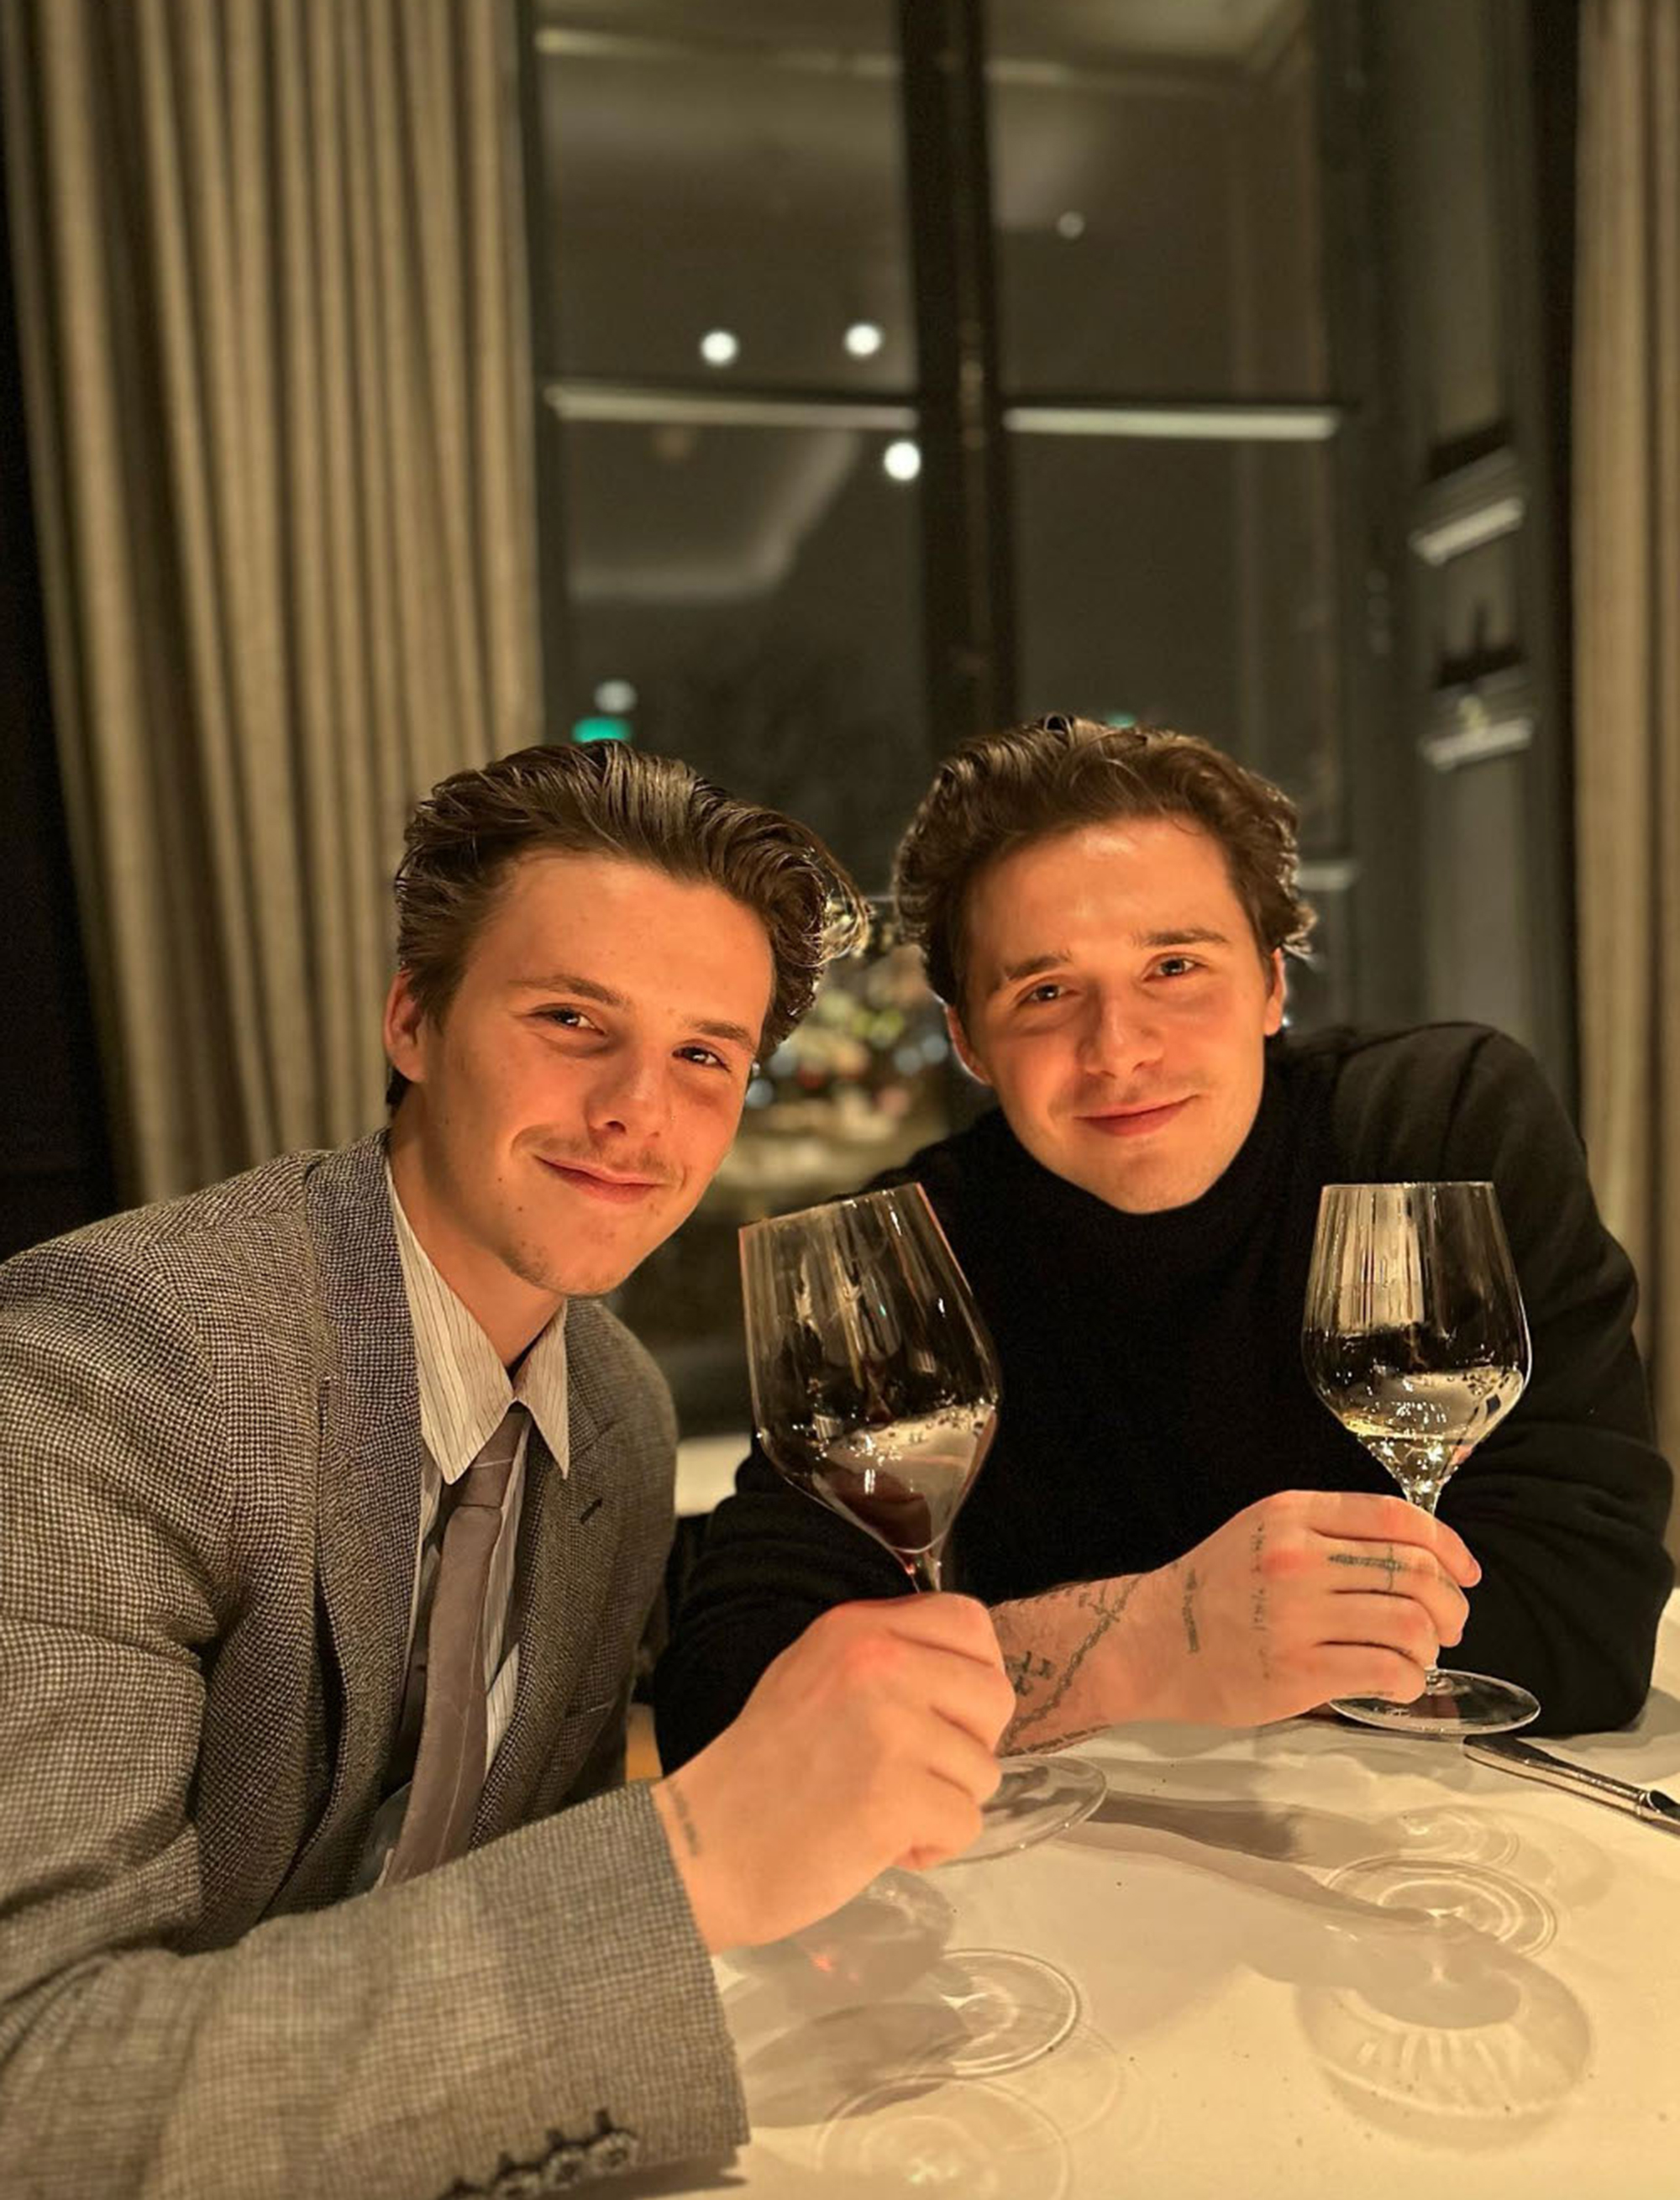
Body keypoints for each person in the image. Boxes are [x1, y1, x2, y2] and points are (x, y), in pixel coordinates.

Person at [0, 743, 1016, 2200]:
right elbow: (35, 2090)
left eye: (704, 1055)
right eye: (571, 1019)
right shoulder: (118, 1365)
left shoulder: (617, 1409)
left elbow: (501, 1904)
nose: (637, 1111)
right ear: (413, 1018)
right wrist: (691, 1860)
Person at [658, 714, 1673, 1774]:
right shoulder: (910, 1263)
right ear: (967, 1042)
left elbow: (1580, 1616)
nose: (1118, 1048)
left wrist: (1034, 1667)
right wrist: (1144, 1643)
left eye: (1174, 966)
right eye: (1044, 992)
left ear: (1271, 985)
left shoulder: (1431, 1135)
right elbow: (727, 1707)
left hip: (1427, 1844)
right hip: (1058, 1868)